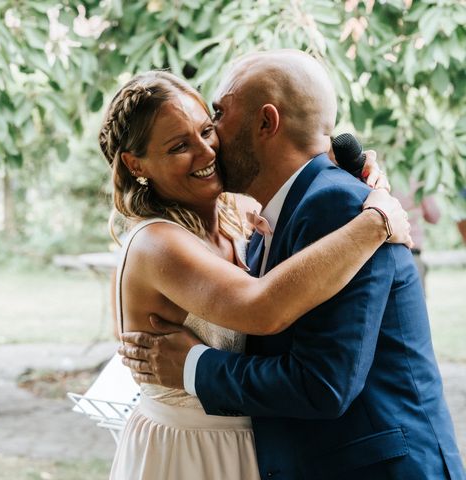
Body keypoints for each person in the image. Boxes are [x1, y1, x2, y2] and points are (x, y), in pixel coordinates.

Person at [119, 51, 465, 479]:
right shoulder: (276, 215)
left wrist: (193, 366)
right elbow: (261, 306)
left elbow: (322, 383)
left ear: (266, 123)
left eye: (215, 120)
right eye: (179, 144)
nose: (210, 144)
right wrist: (375, 214)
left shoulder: (337, 205)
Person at [392, 181, 441, 294]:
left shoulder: (373, 174)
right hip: (411, 254)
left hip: (379, 253)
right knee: (414, 307)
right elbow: (434, 216)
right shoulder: (418, 181)